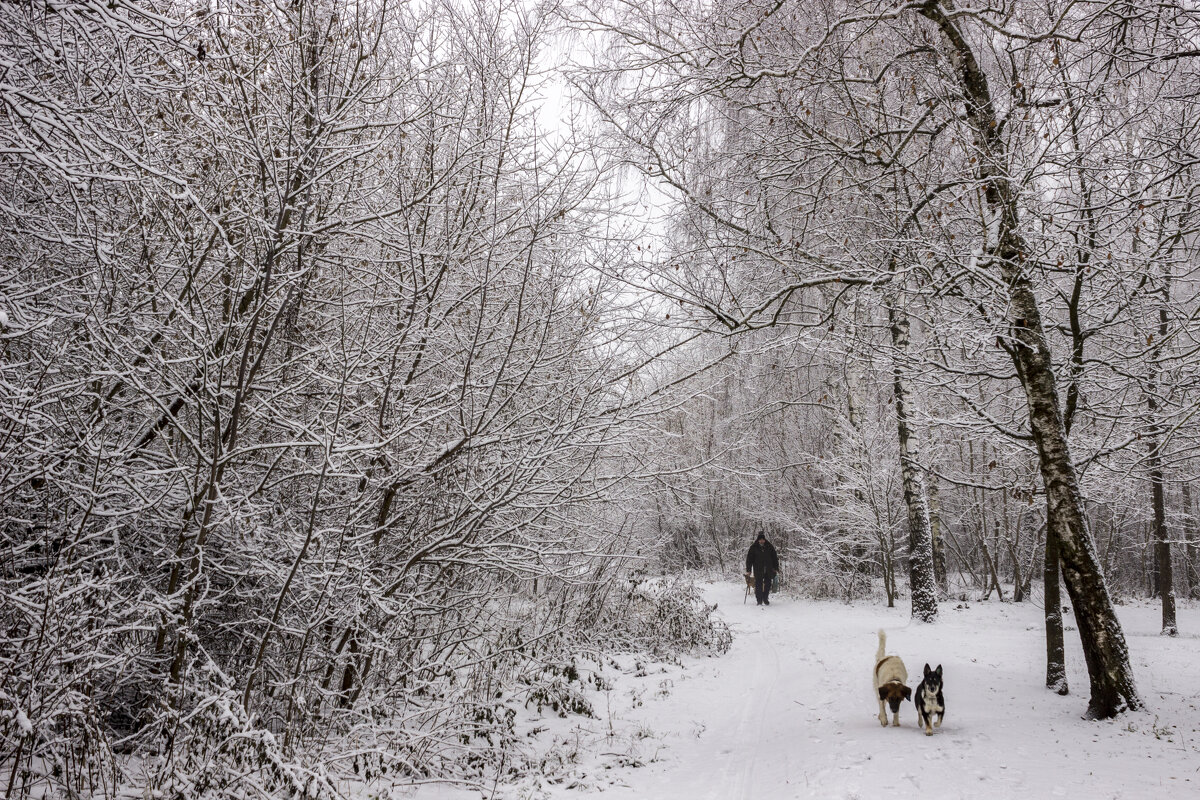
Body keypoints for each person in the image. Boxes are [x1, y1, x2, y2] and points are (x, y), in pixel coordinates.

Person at [745, 532, 779, 606]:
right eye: (760, 539)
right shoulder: (753, 547)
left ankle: (765, 598)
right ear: (758, 540)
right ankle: (759, 600)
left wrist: (776, 567)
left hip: (768, 569)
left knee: (768, 584)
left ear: (764, 539)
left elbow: (774, 557)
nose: (761, 541)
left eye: (763, 539)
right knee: (758, 584)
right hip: (758, 569)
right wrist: (749, 570)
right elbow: (749, 559)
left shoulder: (769, 546)